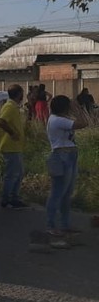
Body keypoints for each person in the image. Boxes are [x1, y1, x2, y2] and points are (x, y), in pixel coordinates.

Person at [45, 95, 89, 236]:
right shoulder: (57, 120)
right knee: (57, 193)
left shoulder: (59, 119)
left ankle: (64, 225)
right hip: (62, 157)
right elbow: (83, 123)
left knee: (66, 194)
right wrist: (77, 108)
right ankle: (51, 225)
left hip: (68, 156)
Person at [0, 85, 29, 210]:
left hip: (15, 146)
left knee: (19, 173)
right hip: (10, 146)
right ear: (19, 94)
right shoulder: (9, 107)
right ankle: (8, 198)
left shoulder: (14, 107)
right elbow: (1, 121)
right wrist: (12, 133)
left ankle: (13, 197)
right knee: (12, 174)